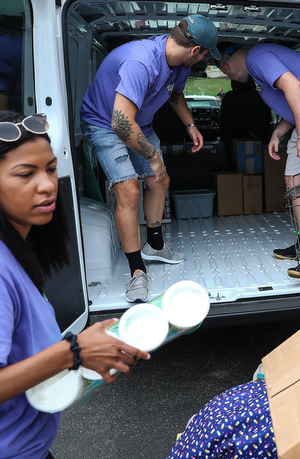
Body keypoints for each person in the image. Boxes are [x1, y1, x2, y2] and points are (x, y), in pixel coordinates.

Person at [0, 111, 151, 458]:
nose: (48, 184)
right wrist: (73, 352)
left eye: (51, 169)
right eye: (26, 173)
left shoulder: (6, 245)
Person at [80, 15, 222, 302]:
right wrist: (152, 157)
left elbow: (175, 95)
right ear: (195, 51)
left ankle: (154, 245)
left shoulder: (178, 63)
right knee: (129, 190)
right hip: (105, 124)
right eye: (206, 55)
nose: (205, 60)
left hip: (138, 125)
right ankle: (137, 272)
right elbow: (120, 123)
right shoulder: (141, 62)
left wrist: (190, 125)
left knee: (159, 180)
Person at [217, 42, 300, 280]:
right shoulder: (258, 65)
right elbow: (293, 100)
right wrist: (279, 131)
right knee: (293, 181)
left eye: (227, 73)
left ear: (227, 66)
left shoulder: (256, 58)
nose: (231, 77)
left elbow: (293, 86)